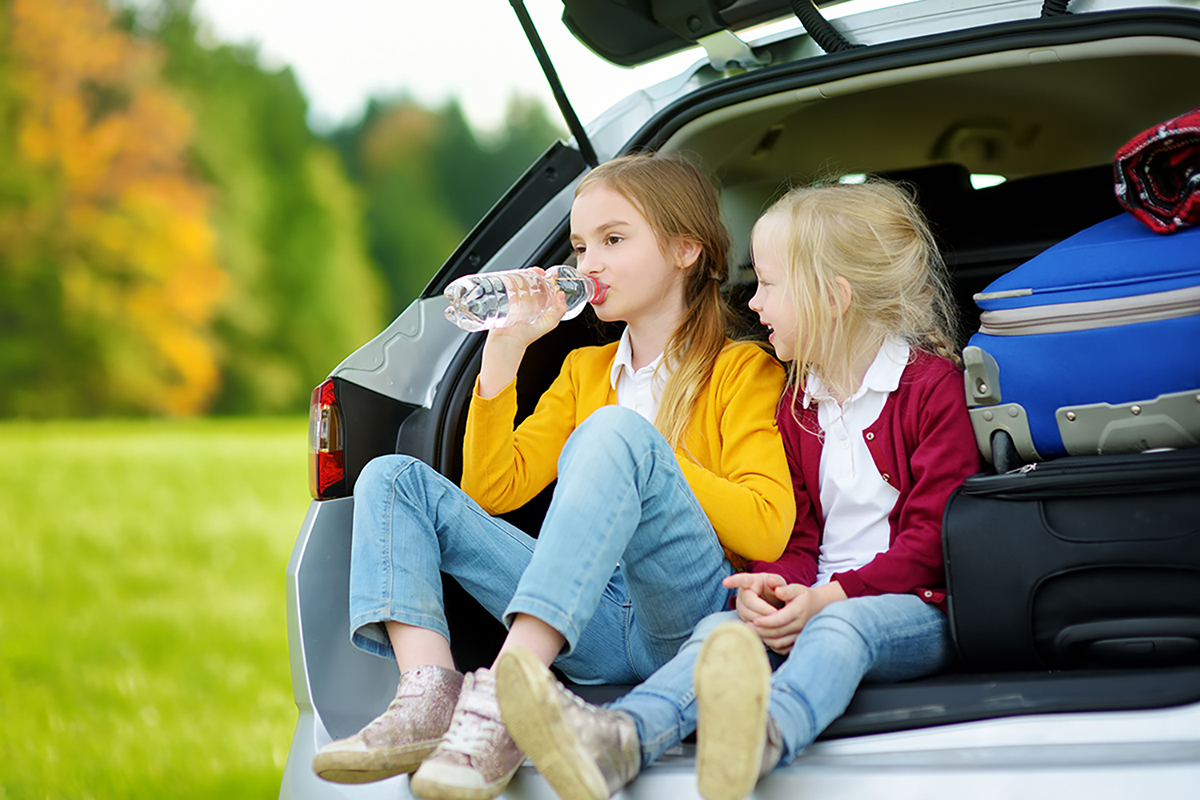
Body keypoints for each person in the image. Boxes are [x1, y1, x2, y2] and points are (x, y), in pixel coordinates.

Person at [310, 153, 796, 800]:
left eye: (613, 240)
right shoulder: (584, 373)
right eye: (578, 245)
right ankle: (428, 694)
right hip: (587, 621)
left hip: (682, 615)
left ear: (685, 250)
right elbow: (492, 490)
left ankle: (507, 695)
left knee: (616, 432)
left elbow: (766, 527)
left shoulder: (742, 371)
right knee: (394, 478)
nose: (586, 263)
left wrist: (645, 453)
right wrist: (505, 349)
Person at [494, 179, 983, 800]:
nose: (753, 304)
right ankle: (619, 740)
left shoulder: (930, 389)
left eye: (771, 286)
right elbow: (796, 530)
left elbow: (935, 536)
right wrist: (772, 582)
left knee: (842, 632)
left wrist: (831, 597)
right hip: (815, 594)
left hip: (914, 605)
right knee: (721, 632)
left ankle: (765, 734)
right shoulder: (798, 402)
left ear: (833, 297)